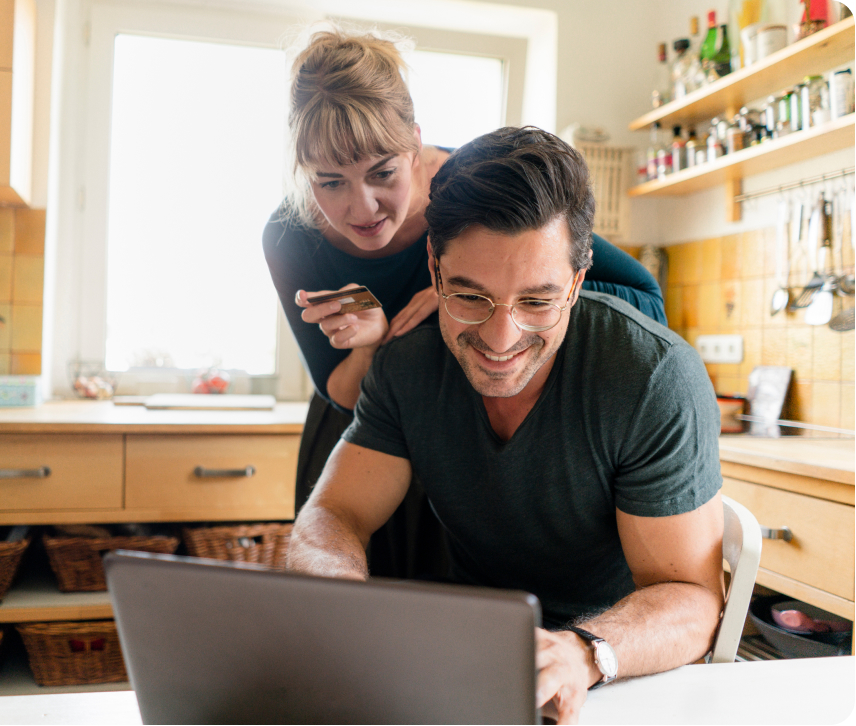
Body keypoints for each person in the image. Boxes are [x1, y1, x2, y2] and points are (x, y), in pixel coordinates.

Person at [285, 126, 726, 724]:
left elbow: (696, 601)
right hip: (469, 661)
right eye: (470, 297)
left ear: (576, 282)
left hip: (622, 671)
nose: (501, 339)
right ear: (436, 275)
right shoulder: (407, 365)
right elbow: (334, 513)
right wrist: (336, 595)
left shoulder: (651, 376)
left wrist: (583, 654)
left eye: (538, 302)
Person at [263, 26, 667, 579]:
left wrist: (474, 291)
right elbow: (339, 391)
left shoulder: (471, 190)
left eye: (382, 172)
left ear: (417, 145)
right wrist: (374, 343)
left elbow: (644, 297)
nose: (363, 207)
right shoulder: (290, 236)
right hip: (361, 436)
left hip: (462, 428)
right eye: (330, 182)